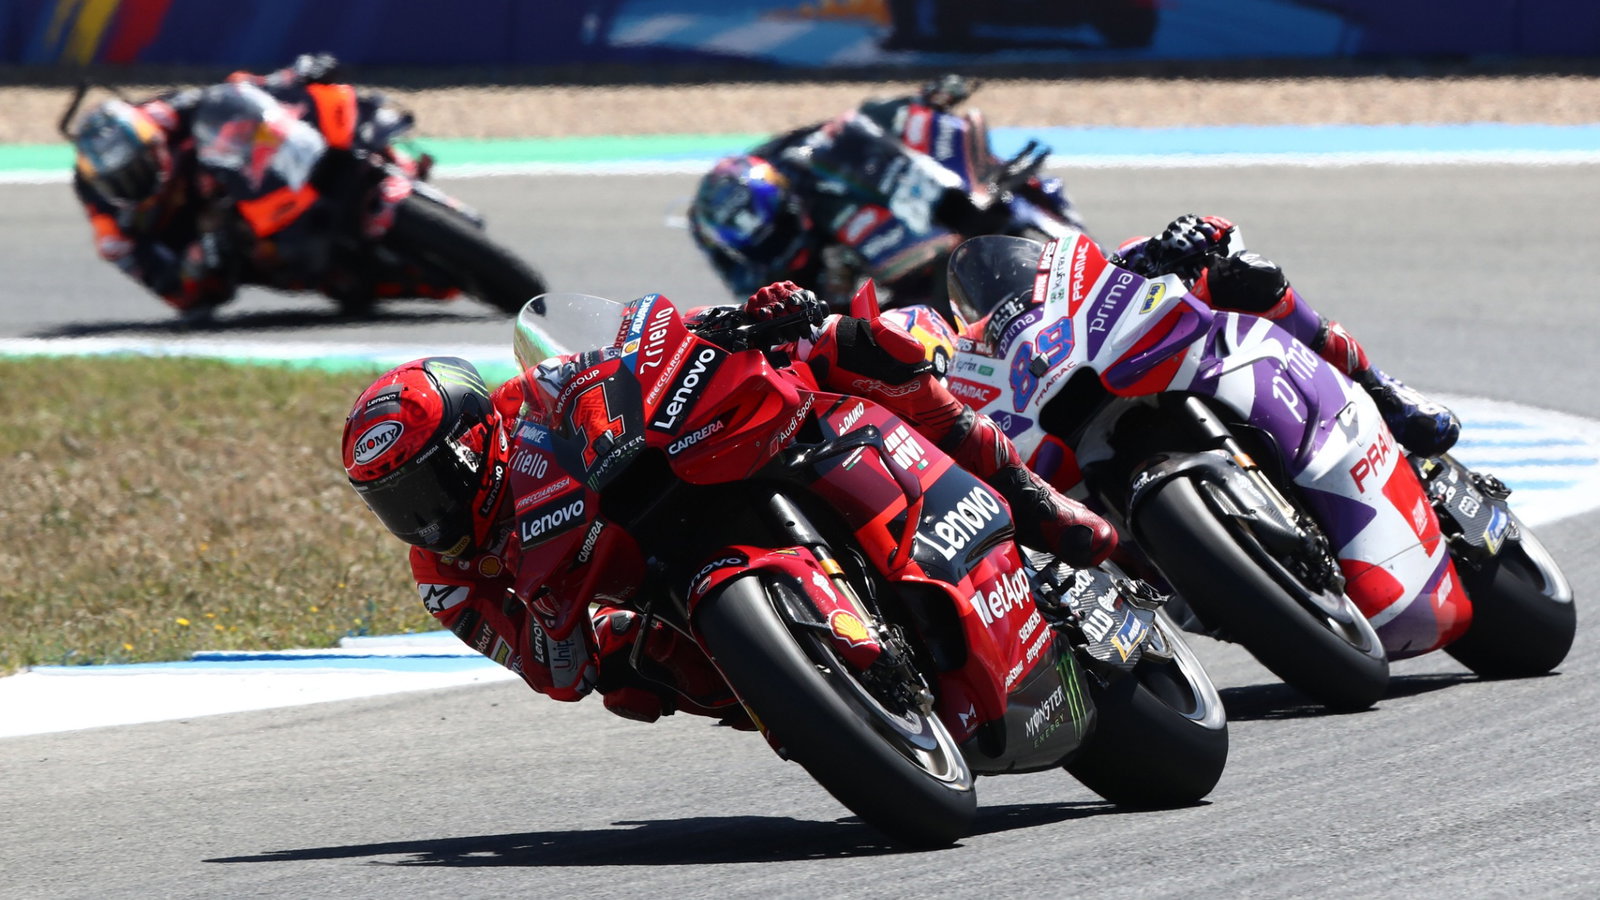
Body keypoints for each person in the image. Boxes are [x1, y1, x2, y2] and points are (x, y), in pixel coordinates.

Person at [341, 281, 1117, 725]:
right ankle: (819, 704)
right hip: (650, 584)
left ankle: (1032, 497)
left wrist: (733, 321)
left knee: (848, 343)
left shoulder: (525, 398)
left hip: (683, 468)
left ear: (476, 439)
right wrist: (587, 628)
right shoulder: (445, 577)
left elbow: (628, 355)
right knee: (633, 680)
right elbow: (551, 671)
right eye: (398, 505)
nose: (426, 518)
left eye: (429, 487)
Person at [68, 53, 435, 320]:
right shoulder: (110, 225)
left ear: (152, 141)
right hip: (226, 238)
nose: (137, 180)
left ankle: (381, 156)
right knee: (317, 275)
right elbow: (175, 294)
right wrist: (197, 260)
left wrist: (292, 76)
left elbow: (234, 93)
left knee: (322, 111)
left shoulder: (160, 116)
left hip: (247, 177)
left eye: (140, 165)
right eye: (123, 179)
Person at [687, 74, 1083, 312]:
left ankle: (983, 207)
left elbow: (867, 145)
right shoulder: (716, 239)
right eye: (766, 242)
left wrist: (953, 205)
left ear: (784, 198)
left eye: (780, 228)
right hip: (824, 257)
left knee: (877, 145)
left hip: (876, 161)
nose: (779, 241)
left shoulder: (802, 161)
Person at [1110, 214, 1461, 455]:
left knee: (1249, 274)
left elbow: (1109, 264)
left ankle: (1381, 393)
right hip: (1113, 382)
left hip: (1187, 350)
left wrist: (1159, 249)